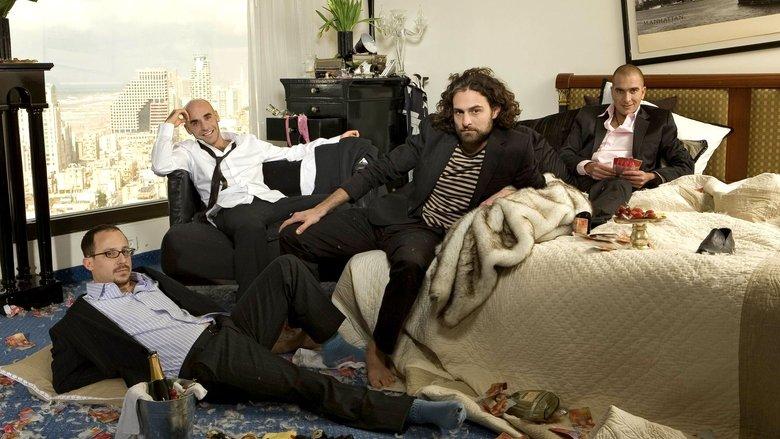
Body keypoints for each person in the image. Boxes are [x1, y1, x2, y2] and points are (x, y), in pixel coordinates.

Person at [49, 225, 466, 434]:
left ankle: (334, 344)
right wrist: (129, 373)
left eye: (125, 250)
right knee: (300, 382)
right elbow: (65, 374)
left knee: (286, 268)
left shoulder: (147, 277)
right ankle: (410, 411)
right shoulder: (84, 317)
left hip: (224, 329)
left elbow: (196, 305)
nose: (122, 259)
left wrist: (225, 320)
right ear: (88, 263)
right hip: (204, 361)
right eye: (110, 254)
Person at [279, 68, 546, 388]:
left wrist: (509, 192)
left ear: (496, 110)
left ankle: (379, 349)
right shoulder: (436, 131)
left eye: (476, 111)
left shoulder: (516, 145)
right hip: (395, 213)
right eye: (459, 112)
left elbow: (536, 188)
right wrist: (320, 209)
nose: (466, 122)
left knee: (410, 265)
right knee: (294, 234)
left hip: (424, 232)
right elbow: (380, 170)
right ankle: (306, 327)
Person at [151, 99, 360, 296]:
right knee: (249, 226)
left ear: (217, 116)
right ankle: (251, 304)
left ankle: (348, 278)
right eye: (195, 123)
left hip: (270, 201)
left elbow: (292, 153)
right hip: (231, 207)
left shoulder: (247, 142)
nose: (204, 126)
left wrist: (337, 139)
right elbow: (160, 166)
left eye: (207, 117)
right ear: (188, 129)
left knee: (334, 201)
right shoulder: (187, 151)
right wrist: (168, 125)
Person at [559, 64, 693, 226]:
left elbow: (685, 165)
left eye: (633, 91)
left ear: (643, 92)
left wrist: (650, 176)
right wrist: (587, 166)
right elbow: (565, 153)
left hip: (622, 185)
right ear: (612, 91)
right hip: (584, 180)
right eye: (620, 91)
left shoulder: (659, 121)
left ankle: (589, 224)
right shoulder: (588, 115)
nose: (627, 99)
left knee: (619, 184)